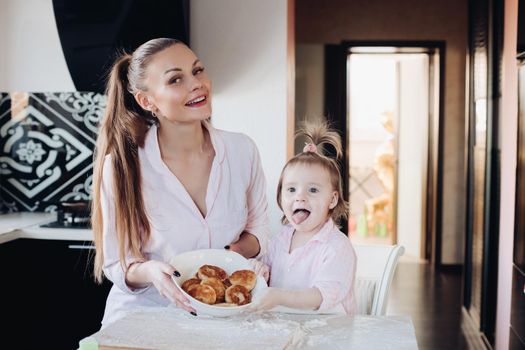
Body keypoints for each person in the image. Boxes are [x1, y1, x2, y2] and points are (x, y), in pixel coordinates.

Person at [91, 38, 269, 326]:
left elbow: (259, 230)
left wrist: (226, 259)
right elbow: (118, 264)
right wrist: (150, 271)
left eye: (197, 71)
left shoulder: (242, 150)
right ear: (147, 101)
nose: (196, 83)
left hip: (224, 318)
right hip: (145, 320)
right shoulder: (123, 167)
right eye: (176, 79)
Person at [250, 122, 356, 314]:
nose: (300, 196)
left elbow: (321, 296)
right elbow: (267, 275)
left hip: (328, 335)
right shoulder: (280, 240)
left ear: (332, 200)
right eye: (291, 189)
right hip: (286, 328)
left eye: (313, 190)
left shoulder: (337, 247)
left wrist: (279, 296)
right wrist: (260, 270)